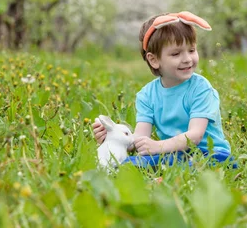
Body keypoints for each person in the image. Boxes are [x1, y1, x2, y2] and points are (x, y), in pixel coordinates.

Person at [92, 11, 234, 167]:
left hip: (210, 154)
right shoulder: (147, 95)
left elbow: (195, 136)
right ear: (154, 60)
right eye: (176, 53)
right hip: (173, 155)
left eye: (192, 50)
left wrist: (158, 146)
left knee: (195, 164)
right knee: (130, 163)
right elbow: (139, 139)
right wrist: (113, 137)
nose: (187, 59)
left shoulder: (201, 88)